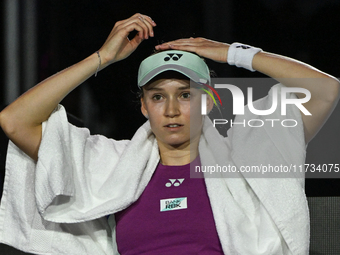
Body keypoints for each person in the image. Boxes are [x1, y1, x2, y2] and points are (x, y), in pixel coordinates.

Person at [0, 13, 339, 255]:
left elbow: (324, 90)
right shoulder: (110, 166)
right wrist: (102, 57)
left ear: (208, 102)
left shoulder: (244, 155)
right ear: (145, 107)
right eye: (158, 96)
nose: (172, 110)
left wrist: (233, 53)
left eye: (186, 94)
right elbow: (15, 120)